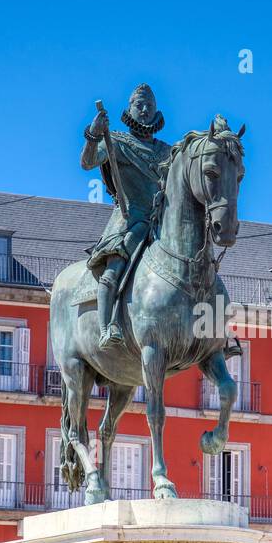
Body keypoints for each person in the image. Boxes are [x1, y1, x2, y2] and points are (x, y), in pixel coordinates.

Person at [80, 83, 172, 350]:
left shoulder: (168, 152)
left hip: (162, 223)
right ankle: (107, 327)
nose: (144, 110)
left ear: (157, 111)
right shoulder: (117, 142)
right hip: (130, 219)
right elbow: (86, 163)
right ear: (130, 108)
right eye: (139, 105)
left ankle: (216, 336)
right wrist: (93, 135)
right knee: (113, 272)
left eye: (149, 106)